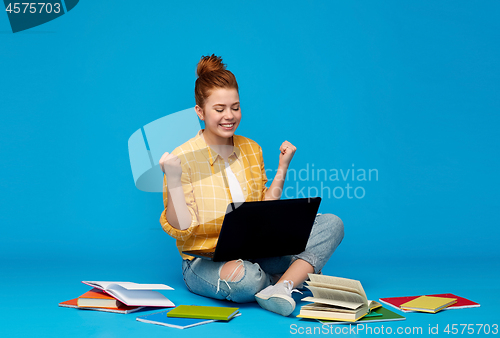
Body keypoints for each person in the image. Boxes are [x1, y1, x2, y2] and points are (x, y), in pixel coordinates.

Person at [159, 54, 344, 316]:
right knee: (247, 279)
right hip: (205, 260)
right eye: (219, 109)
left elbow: (264, 213)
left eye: (235, 107)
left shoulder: (251, 149)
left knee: (331, 223)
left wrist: (282, 168)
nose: (229, 116)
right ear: (200, 112)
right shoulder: (182, 158)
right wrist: (174, 181)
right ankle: (293, 277)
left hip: (256, 251)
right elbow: (181, 229)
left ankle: (281, 287)